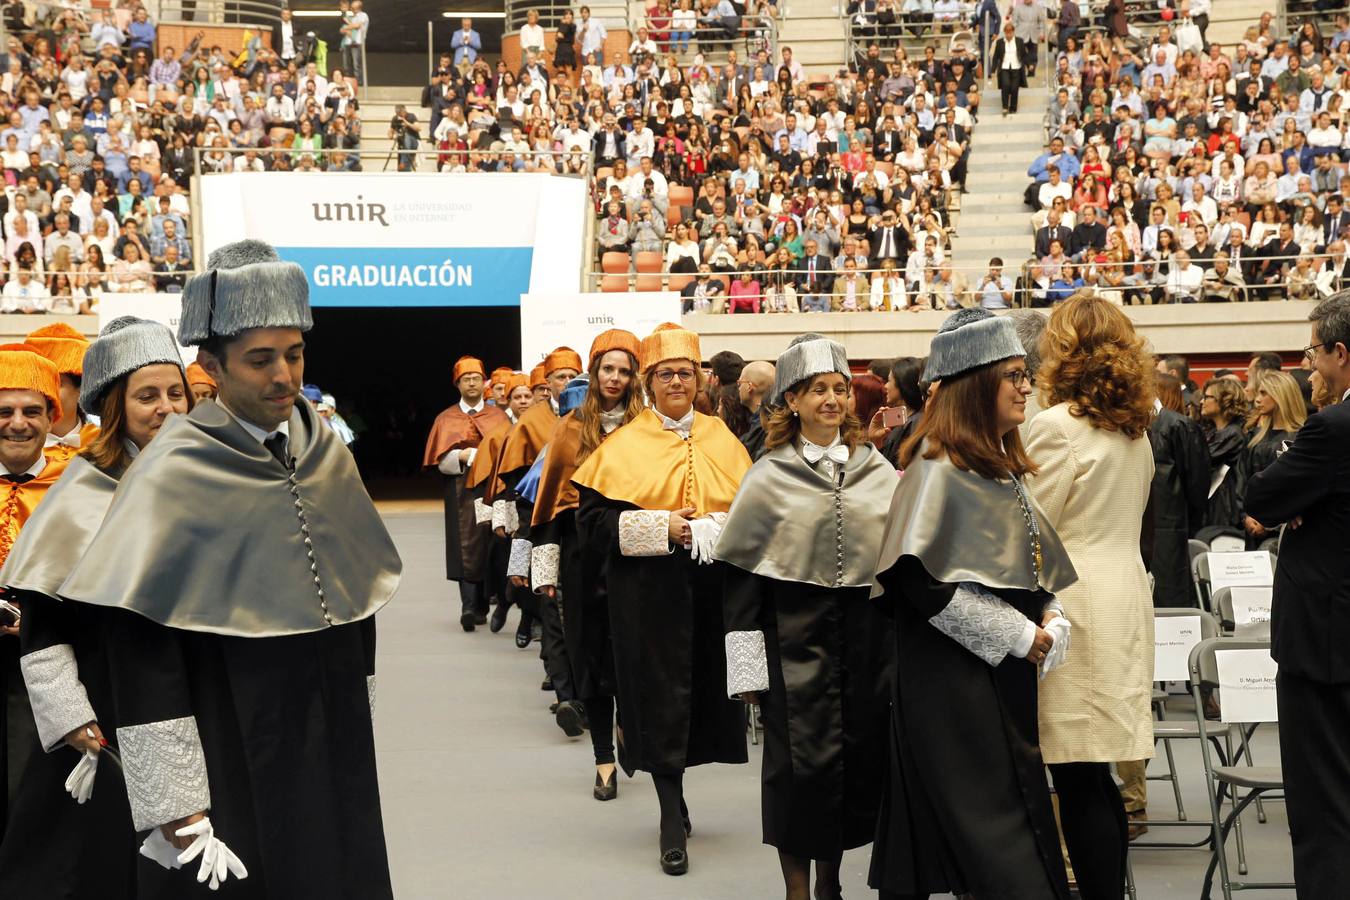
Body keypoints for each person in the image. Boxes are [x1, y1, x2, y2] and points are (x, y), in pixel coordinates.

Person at [57, 239, 402, 897]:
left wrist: (357, 701)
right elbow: (142, 648)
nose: (284, 377)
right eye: (261, 360)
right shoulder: (171, 471)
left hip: (329, 725)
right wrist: (176, 806)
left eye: (295, 355)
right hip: (227, 729)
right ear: (210, 365)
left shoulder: (322, 446)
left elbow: (356, 593)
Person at [870, 308, 1076, 900]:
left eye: (1024, 373)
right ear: (973, 384)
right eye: (1012, 374)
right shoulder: (934, 468)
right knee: (996, 835)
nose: (1026, 385)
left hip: (999, 676)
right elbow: (917, 580)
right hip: (952, 684)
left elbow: (1028, 562)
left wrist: (1050, 614)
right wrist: (1019, 634)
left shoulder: (998, 468)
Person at [0, 318, 189, 897]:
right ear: (116, 406)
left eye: (175, 392)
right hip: (106, 699)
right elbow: (48, 620)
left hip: (197, 690)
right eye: (146, 396)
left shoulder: (220, 479)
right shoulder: (85, 489)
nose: (164, 408)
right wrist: (70, 714)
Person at [715, 334, 894, 900]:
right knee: (796, 772)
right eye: (818, 390)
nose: (832, 400)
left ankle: (831, 884)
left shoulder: (877, 468)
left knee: (854, 763)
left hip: (865, 640)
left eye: (840, 389)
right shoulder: (767, 474)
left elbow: (900, 561)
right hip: (790, 638)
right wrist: (745, 667)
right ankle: (797, 890)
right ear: (791, 400)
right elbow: (742, 575)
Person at [572, 323, 751, 875]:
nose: (676, 381)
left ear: (700, 380)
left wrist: (724, 525)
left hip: (710, 596)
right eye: (665, 374)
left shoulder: (723, 437)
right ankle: (670, 815)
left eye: (685, 373)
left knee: (698, 702)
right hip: (647, 599)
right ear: (649, 385)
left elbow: (755, 510)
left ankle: (678, 797)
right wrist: (660, 526)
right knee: (657, 701)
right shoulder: (622, 444)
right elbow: (592, 526)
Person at [1025, 293, 1156, 899]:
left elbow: (1034, 530)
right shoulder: (1135, 432)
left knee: (1076, 772)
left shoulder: (1056, 428)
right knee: (1094, 771)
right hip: (1123, 596)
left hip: (1076, 603)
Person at [1245, 292, 1350, 898]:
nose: (1311, 366)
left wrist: (1303, 501)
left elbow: (1259, 498)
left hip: (1327, 645)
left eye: (1314, 353)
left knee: (1325, 807)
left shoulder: (1334, 428)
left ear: (1341, 353)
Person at [527, 330, 644, 792]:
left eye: (623, 370)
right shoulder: (571, 426)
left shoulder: (647, 428)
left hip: (636, 553)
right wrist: (544, 571)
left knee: (633, 653)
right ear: (593, 373)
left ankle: (628, 730)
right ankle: (603, 759)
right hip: (582, 557)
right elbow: (550, 505)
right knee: (591, 655)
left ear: (634, 376)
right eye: (606, 369)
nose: (614, 377)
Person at [0, 344, 74, 840]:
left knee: (31, 794)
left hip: (47, 663)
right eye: (4, 411)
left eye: (32, 411)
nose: (17, 423)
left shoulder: (77, 483)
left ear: (54, 415)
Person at [495, 348, 582, 708]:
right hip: (546, 533)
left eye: (571, 376)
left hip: (593, 543)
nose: (565, 383)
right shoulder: (533, 425)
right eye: (560, 376)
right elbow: (522, 493)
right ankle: (564, 690)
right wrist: (518, 560)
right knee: (551, 609)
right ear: (546, 384)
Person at [422, 356, 509, 630]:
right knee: (465, 543)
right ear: (457, 384)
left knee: (491, 541)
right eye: (466, 379)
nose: (471, 383)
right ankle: (468, 606)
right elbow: (440, 459)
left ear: (484, 383)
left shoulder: (498, 416)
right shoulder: (446, 418)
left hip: (493, 486)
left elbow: (509, 451)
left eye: (476, 378)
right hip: (460, 486)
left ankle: (484, 601)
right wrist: (461, 454)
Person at [1142, 372, 1208, 607]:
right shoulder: (1128, 424)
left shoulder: (1178, 425)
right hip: (1156, 525)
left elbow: (1196, 482)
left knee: (1167, 596)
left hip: (1167, 524)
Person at [1235, 370, 1304, 548]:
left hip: (1287, 532)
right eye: (1258, 392)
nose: (1257, 399)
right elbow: (1242, 480)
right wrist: (1246, 516)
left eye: (1264, 393)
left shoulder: (1300, 437)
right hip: (1251, 527)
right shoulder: (1253, 437)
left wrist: (1272, 523)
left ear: (1281, 395)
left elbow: (1298, 488)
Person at [25, 323, 98, 461]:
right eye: (36, 382)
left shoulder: (104, 444)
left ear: (82, 390)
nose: (45, 391)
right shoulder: (14, 446)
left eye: (56, 383)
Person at [1199, 376, 1247, 530]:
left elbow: (1201, 459)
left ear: (1224, 401)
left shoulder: (1234, 433)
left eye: (1207, 397)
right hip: (1213, 504)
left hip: (1225, 508)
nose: (1202, 401)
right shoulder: (1213, 431)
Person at [737, 360, 775, 460]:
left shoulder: (764, 427)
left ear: (750, 386)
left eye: (739, 383)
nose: (739, 388)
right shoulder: (778, 420)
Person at [990, 21, 1030, 115]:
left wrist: (1029, 65)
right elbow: (996, 56)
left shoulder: (1019, 41)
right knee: (1005, 85)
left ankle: (1013, 107)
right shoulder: (1000, 42)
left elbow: (1024, 55)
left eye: (1010, 32)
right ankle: (1004, 106)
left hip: (1016, 67)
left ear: (1013, 31)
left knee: (1014, 88)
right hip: (1004, 67)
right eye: (1007, 32)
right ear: (1004, 32)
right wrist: (993, 70)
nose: (1009, 34)